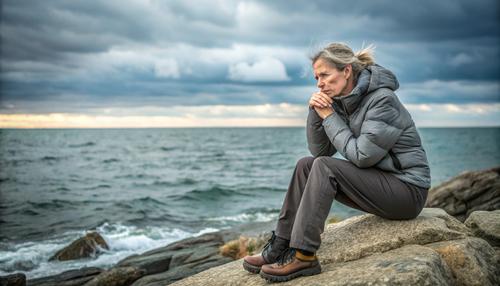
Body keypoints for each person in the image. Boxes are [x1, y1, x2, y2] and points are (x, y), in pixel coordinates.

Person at [242, 42, 431, 283]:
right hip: (381, 185)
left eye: (324, 75)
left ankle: (304, 255)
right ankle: (281, 244)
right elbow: (320, 150)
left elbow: (363, 156)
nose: (319, 83)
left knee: (324, 167)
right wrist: (315, 111)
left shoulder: (383, 100)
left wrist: (329, 116)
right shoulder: (343, 100)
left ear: (346, 71)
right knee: (306, 164)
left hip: (408, 192)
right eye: (316, 78)